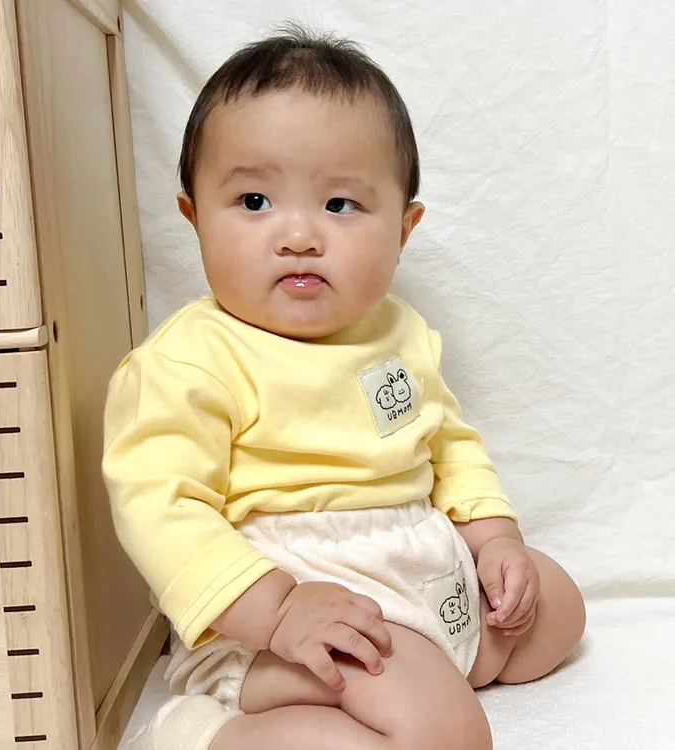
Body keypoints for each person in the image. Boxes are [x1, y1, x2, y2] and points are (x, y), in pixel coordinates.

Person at [102, 25, 586, 750]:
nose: (299, 235)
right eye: (255, 201)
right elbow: (161, 510)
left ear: (403, 229)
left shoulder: (399, 332)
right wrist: (277, 610)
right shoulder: (190, 361)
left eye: (340, 205)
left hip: (417, 565)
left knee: (557, 608)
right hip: (286, 603)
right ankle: (207, 733)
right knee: (447, 734)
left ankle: (422, 672)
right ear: (194, 217)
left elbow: (450, 446)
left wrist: (494, 540)